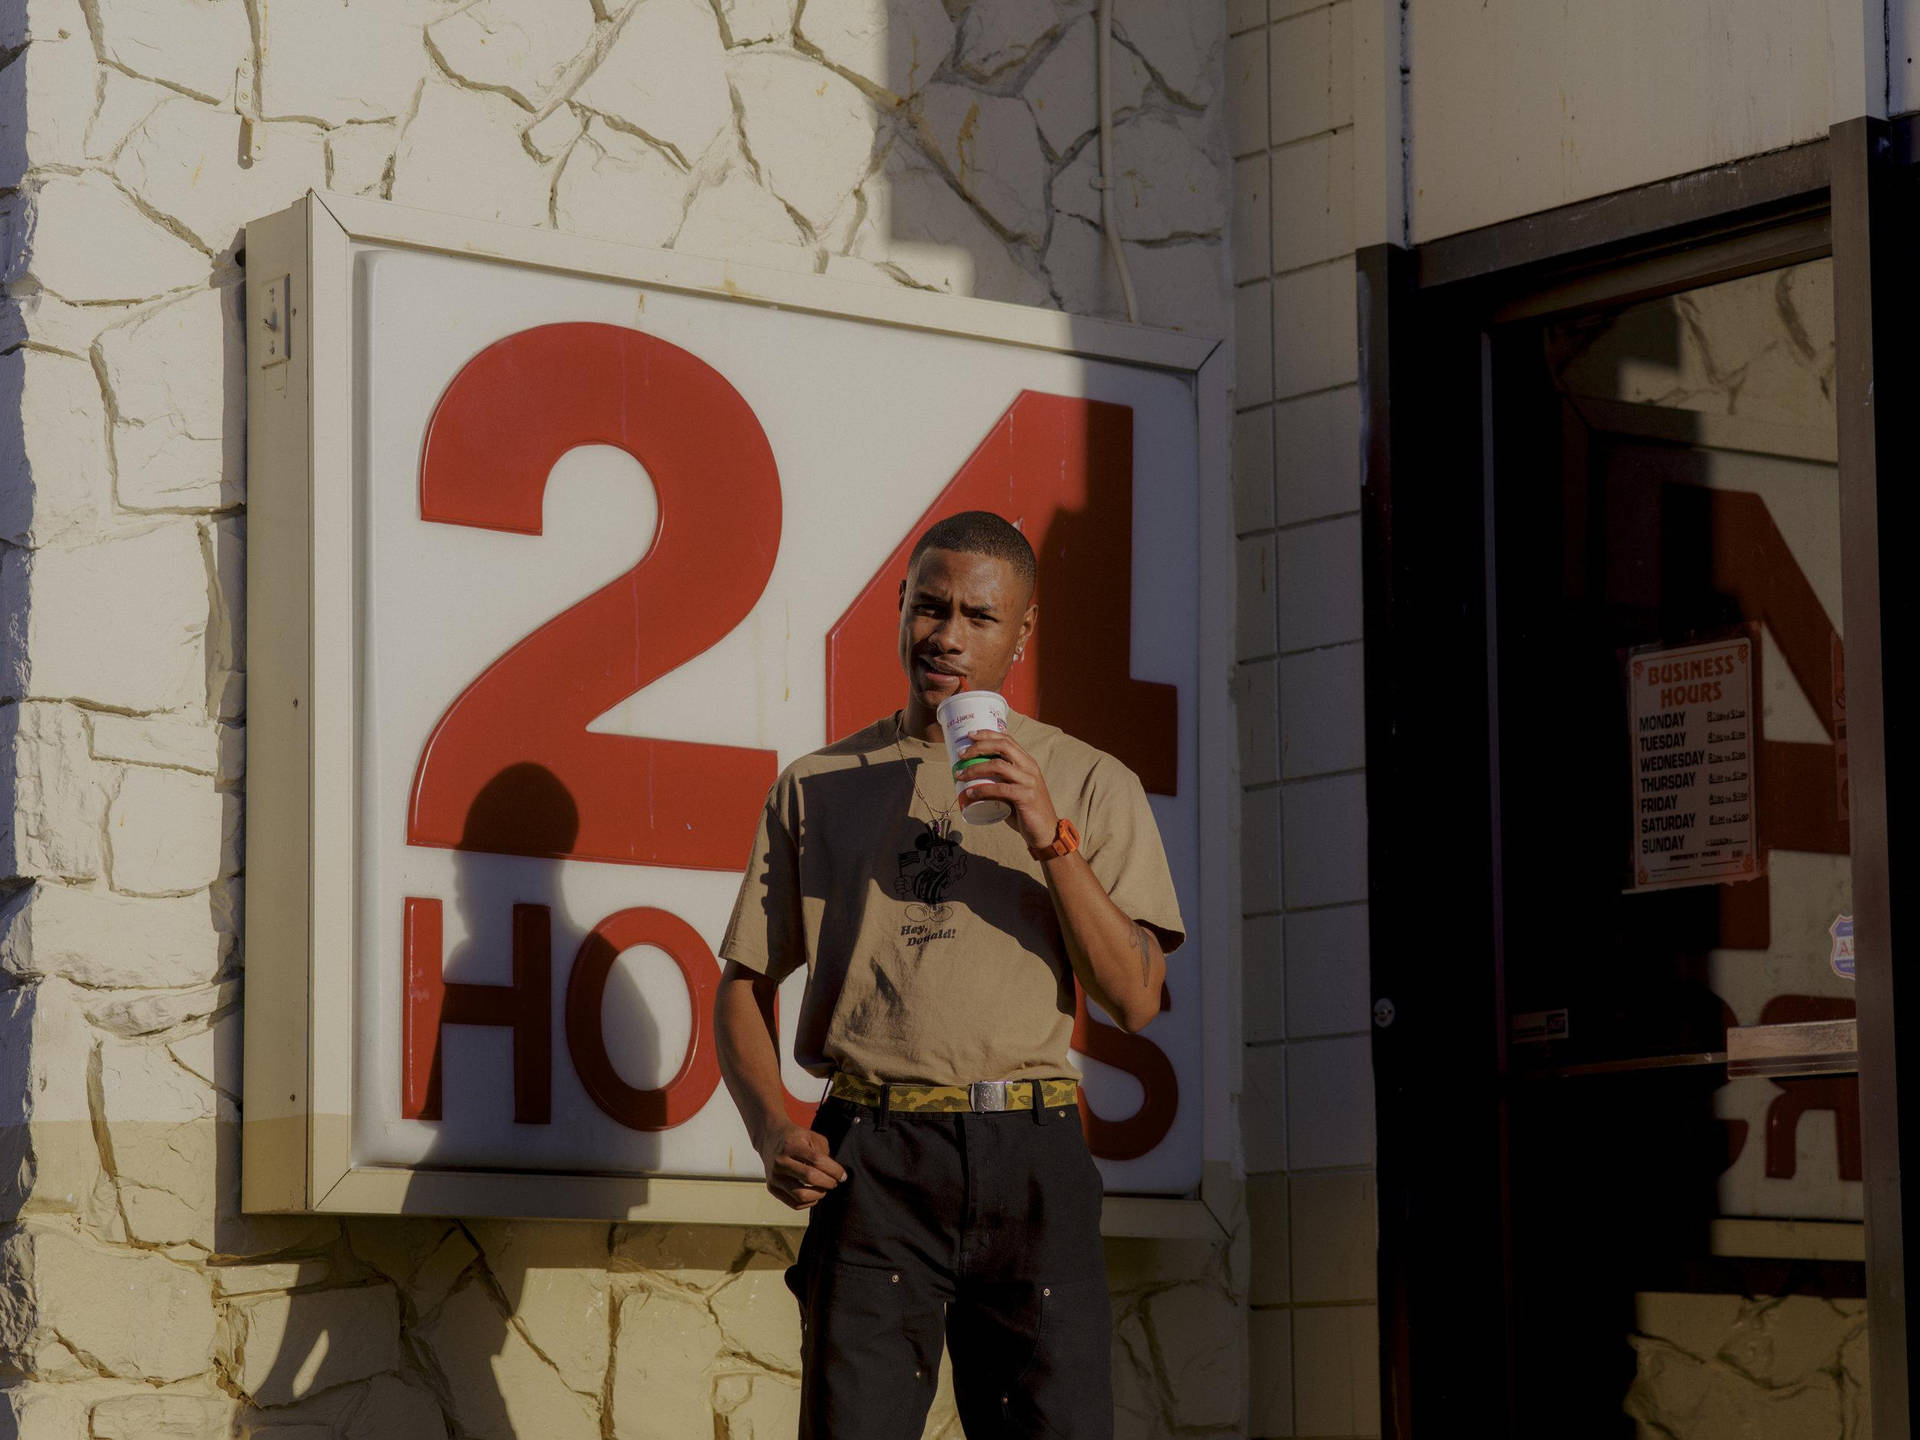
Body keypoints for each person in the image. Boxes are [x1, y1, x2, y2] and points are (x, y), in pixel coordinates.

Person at [715, 509, 1185, 1440]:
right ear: (900, 609)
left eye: (979, 617)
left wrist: (1048, 835)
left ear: (1023, 631)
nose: (948, 637)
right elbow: (742, 980)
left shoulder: (1091, 780)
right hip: (872, 1159)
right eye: (930, 608)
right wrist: (771, 1126)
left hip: (1032, 1153)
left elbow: (1136, 996)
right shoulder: (817, 783)